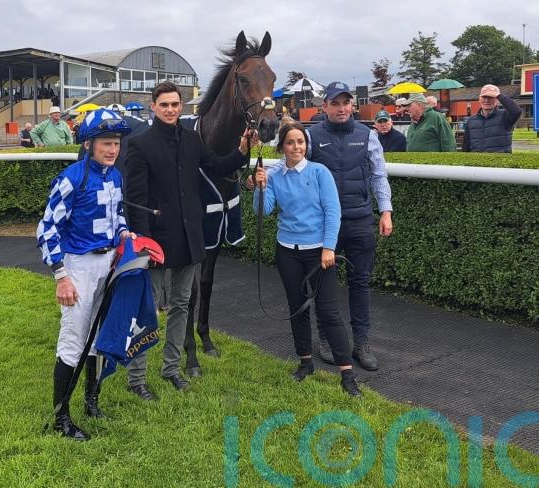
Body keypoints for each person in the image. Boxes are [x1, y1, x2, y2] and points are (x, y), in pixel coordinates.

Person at [124, 81, 255, 398]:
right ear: (153, 107)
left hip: (188, 237)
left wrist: (242, 150)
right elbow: (135, 200)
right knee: (146, 309)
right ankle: (137, 378)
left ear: (181, 106)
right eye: (164, 105)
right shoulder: (140, 145)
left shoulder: (192, 139)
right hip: (156, 241)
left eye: (174, 104)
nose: (170, 110)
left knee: (181, 305)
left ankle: (171, 368)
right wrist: (144, 242)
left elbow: (217, 165)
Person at [36, 108, 134, 440]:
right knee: (74, 339)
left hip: (108, 264)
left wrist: (124, 234)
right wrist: (61, 276)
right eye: (106, 143)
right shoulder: (71, 178)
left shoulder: (115, 176)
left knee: (97, 335)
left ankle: (92, 401)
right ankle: (60, 418)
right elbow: (47, 229)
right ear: (89, 144)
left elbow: (117, 215)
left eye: (116, 143)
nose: (113, 149)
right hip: (78, 266)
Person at [253, 122, 362, 396]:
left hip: (318, 252)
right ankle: (305, 362)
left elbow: (332, 211)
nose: (296, 147)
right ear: (282, 147)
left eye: (300, 142)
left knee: (328, 311)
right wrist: (260, 187)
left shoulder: (319, 172)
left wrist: (329, 247)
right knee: (297, 308)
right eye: (290, 142)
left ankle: (347, 374)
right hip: (287, 250)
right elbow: (263, 210)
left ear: (306, 145)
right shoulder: (275, 175)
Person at [308, 81, 393, 371]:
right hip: (324, 225)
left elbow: (379, 175)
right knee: (323, 285)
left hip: (359, 220)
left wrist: (386, 211)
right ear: (325, 107)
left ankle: (362, 343)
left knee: (360, 283)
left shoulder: (368, 135)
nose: (341, 108)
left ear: (352, 105)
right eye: (335, 103)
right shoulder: (311, 136)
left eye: (346, 102)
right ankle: (327, 340)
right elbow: (295, 171)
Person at [462, 84, 522, 153]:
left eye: (491, 97)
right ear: (479, 99)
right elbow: (466, 145)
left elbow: (516, 111)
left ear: (497, 100)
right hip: (476, 158)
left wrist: (498, 95)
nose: (486, 100)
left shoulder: (505, 116)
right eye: (484, 97)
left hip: (500, 158)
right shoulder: (471, 120)